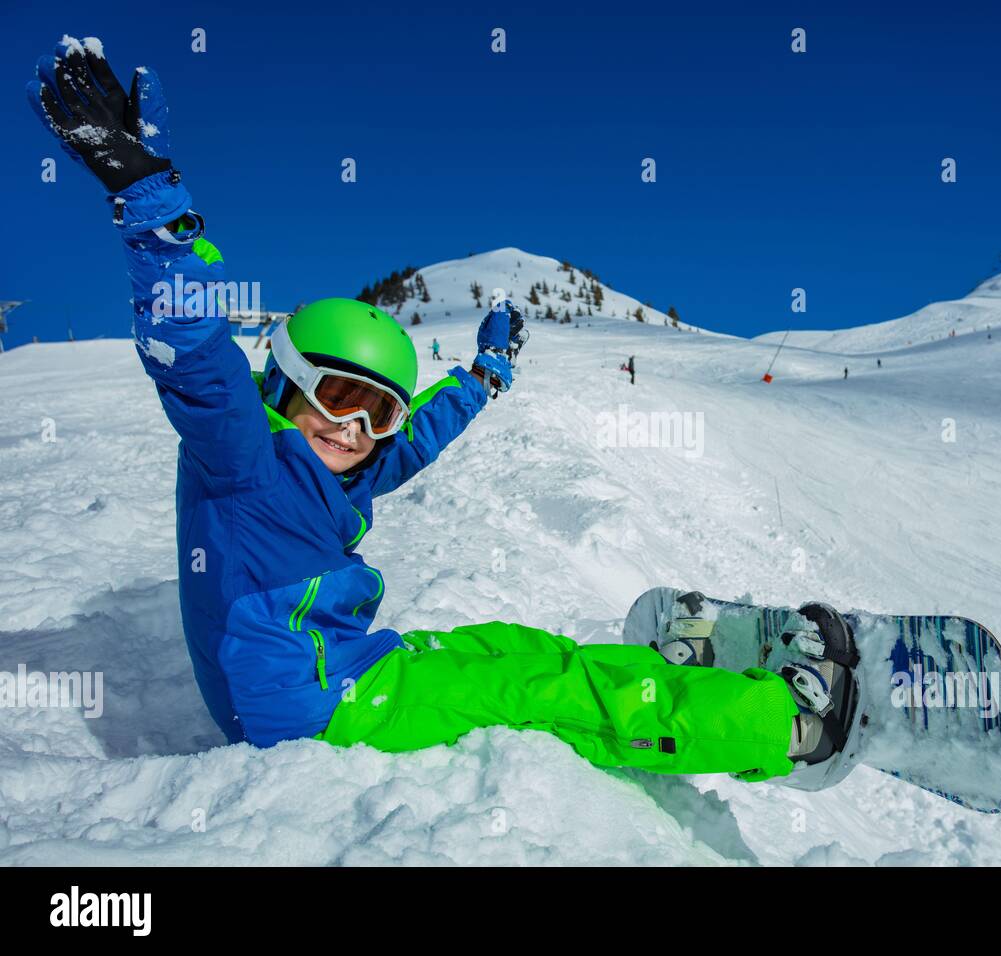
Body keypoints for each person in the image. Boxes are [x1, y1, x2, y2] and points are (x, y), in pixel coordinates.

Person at [28, 37, 853, 780]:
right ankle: (786, 723)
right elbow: (195, 355)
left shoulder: (336, 468)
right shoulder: (240, 456)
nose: (354, 429)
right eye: (337, 396)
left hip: (334, 669)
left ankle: (671, 684)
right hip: (318, 705)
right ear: (280, 384)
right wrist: (147, 201)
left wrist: (486, 372)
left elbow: (418, 435)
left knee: (512, 645)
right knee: (546, 686)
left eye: (375, 411)